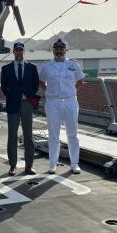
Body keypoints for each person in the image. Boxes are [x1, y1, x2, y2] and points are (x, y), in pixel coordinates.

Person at [39, 38, 85, 174]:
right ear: (52, 50)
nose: (59, 50)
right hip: (53, 102)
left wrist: (71, 91)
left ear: (66, 50)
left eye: (62, 47)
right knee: (53, 134)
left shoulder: (73, 65)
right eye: (56, 47)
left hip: (70, 102)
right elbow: (42, 82)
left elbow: (81, 81)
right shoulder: (47, 66)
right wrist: (50, 92)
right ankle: (53, 164)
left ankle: (74, 163)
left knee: (73, 134)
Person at [0, 42, 40, 176]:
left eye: (20, 50)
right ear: (13, 52)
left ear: (23, 52)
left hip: (27, 104)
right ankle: (12, 165)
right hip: (13, 104)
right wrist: (13, 96)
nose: (19, 53)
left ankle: (29, 165)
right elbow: (4, 87)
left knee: (28, 135)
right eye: (16, 50)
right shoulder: (6, 69)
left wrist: (26, 96)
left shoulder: (32, 67)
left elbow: (35, 86)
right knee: (12, 135)